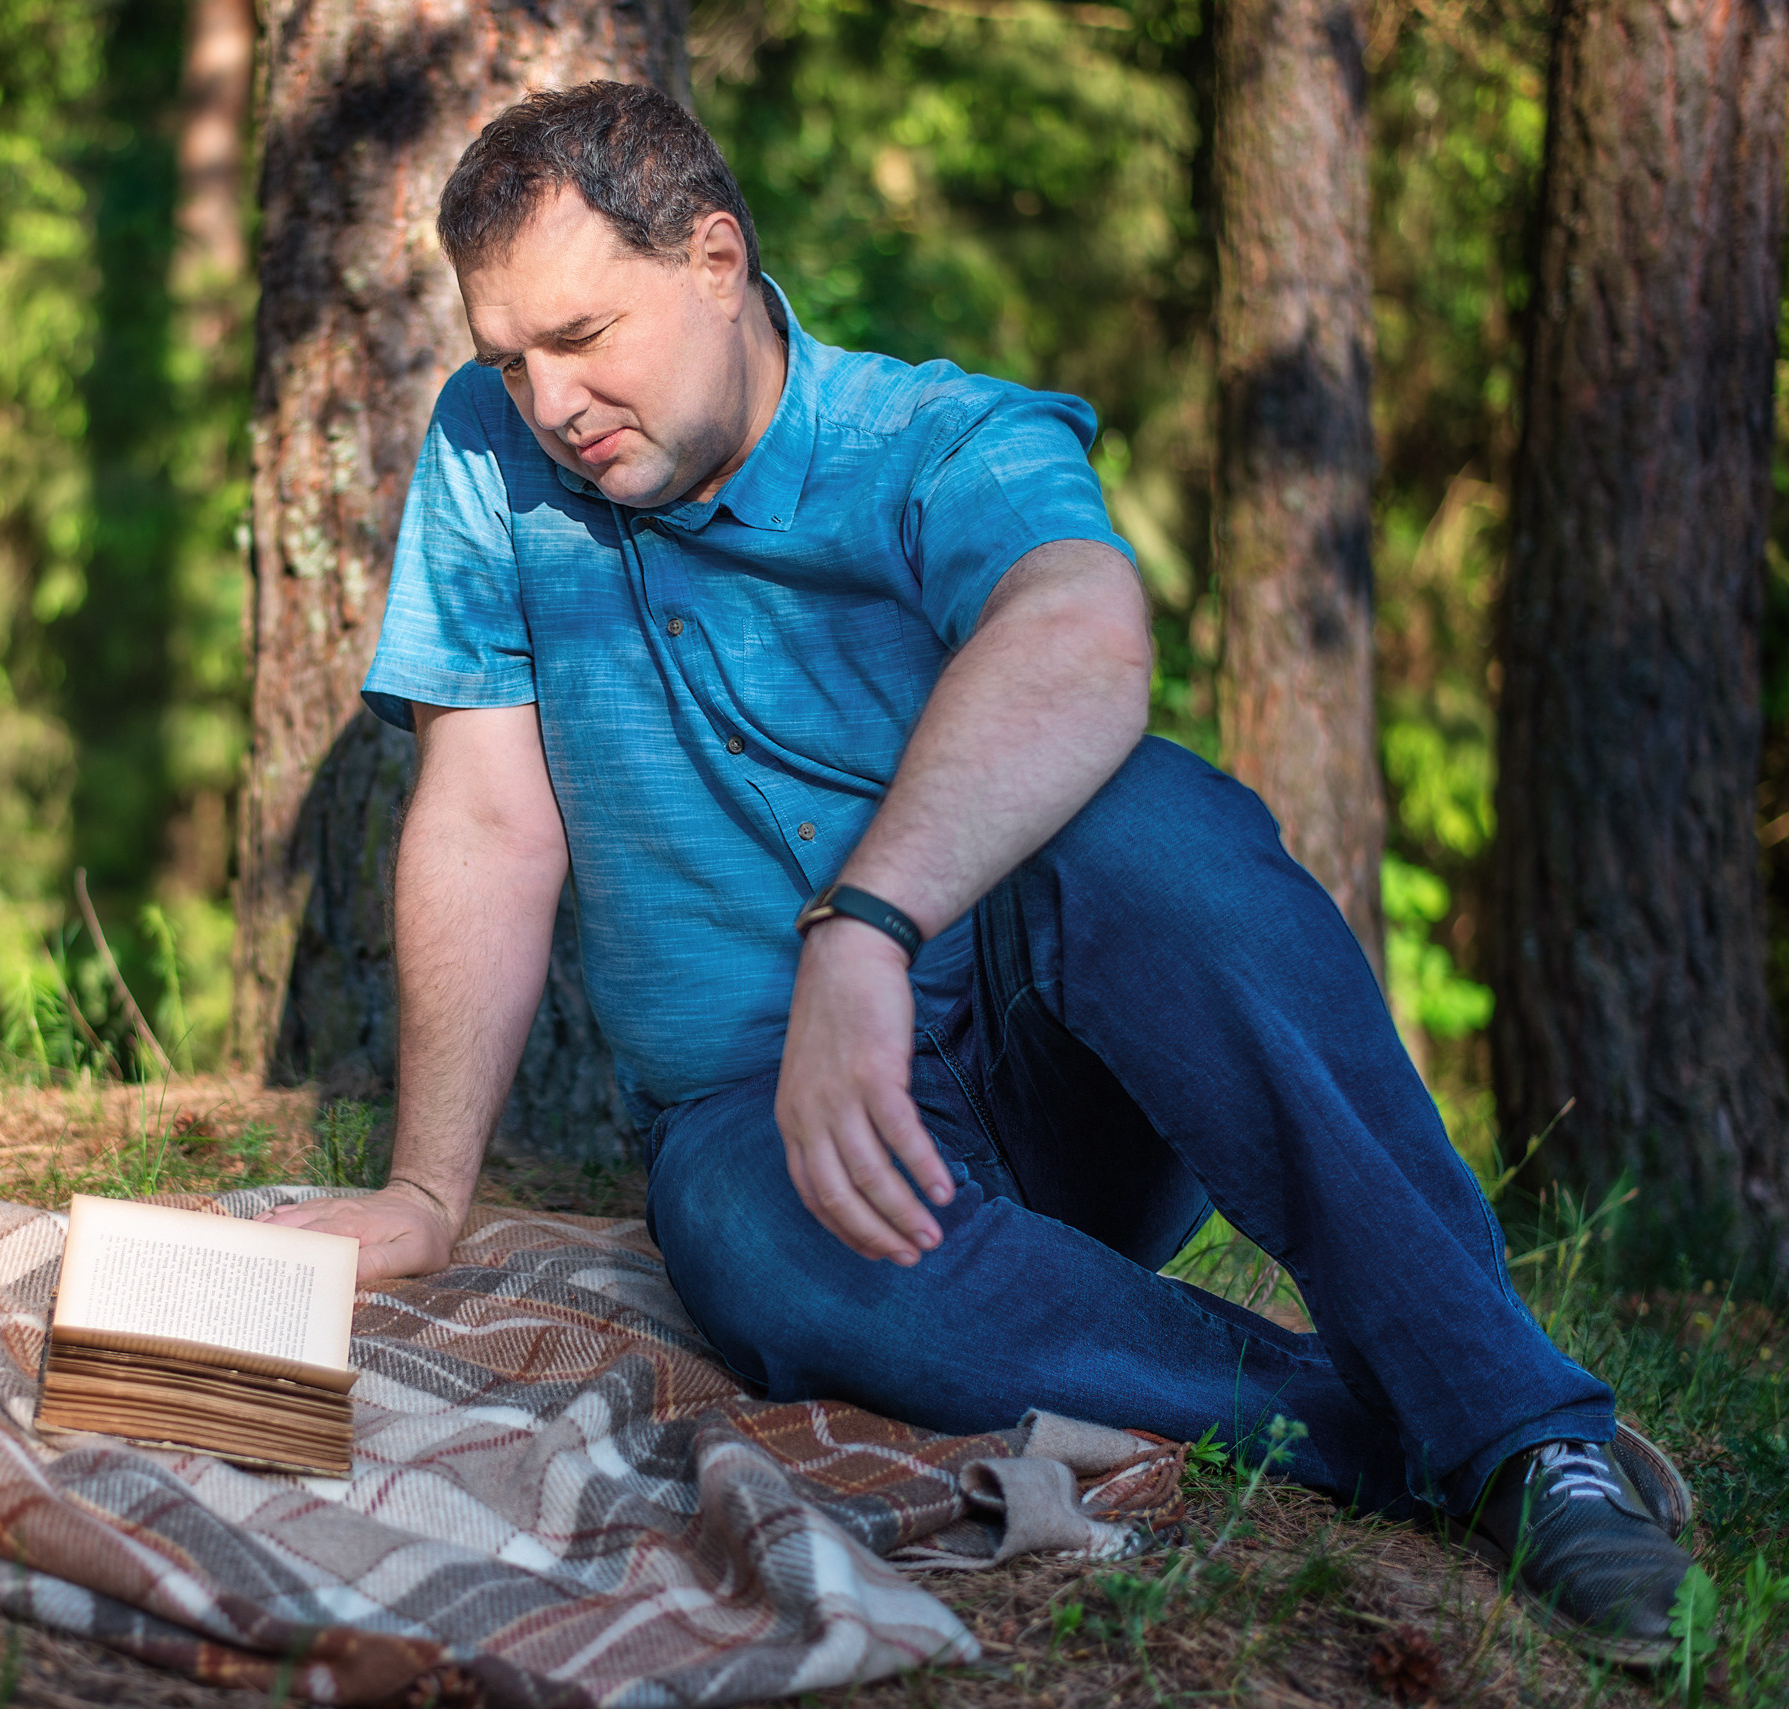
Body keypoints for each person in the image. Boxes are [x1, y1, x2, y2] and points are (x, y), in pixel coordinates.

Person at [262, 80, 1696, 1664]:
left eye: (586, 336)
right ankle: (1409, 1440)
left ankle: (1528, 1429)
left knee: (1152, 828)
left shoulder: (937, 435)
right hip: (778, 1129)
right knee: (750, 1251)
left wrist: (867, 928)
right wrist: (424, 1188)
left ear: (718, 259)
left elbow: (1083, 638)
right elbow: (484, 816)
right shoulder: (489, 461)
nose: (549, 401)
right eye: (509, 359)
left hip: (1053, 1060)